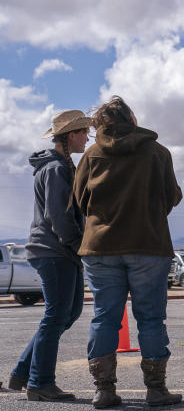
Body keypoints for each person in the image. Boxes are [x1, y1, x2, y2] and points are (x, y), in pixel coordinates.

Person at [72, 97, 183, 408]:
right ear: (131, 119)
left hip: (100, 246)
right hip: (148, 245)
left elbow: (79, 199)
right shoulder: (158, 153)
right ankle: (156, 389)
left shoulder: (92, 155)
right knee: (151, 319)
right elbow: (171, 196)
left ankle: (104, 390)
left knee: (104, 318)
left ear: (101, 124)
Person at [7, 110, 92, 401]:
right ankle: (40, 382)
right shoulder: (56, 168)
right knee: (57, 316)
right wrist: (79, 245)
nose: (87, 137)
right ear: (71, 135)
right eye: (83, 132)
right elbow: (59, 217)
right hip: (55, 251)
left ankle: (23, 371)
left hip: (59, 252)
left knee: (68, 313)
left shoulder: (61, 166)